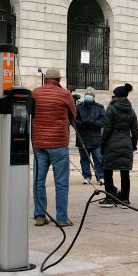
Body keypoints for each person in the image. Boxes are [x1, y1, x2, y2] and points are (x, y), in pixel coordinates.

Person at [32, 67, 77, 226]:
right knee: (61, 182)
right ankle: (62, 218)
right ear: (59, 80)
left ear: (45, 79)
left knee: (38, 180)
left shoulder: (35, 93)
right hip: (59, 143)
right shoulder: (65, 94)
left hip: (39, 144)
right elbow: (73, 115)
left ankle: (39, 215)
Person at [99, 83, 138, 208]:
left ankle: (109, 198)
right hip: (126, 142)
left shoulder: (111, 109)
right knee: (125, 172)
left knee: (107, 170)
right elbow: (135, 131)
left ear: (116, 96)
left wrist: (102, 144)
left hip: (112, 143)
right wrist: (133, 146)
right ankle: (125, 200)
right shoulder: (131, 110)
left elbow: (107, 129)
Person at [75, 87, 105, 185]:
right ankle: (86, 176)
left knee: (98, 158)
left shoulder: (99, 108)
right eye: (87, 94)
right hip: (82, 137)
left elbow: (103, 121)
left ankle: (100, 176)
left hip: (95, 138)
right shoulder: (79, 107)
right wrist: (82, 123)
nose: (88, 96)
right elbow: (74, 120)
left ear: (94, 96)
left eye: (90, 94)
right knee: (84, 159)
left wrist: (93, 122)